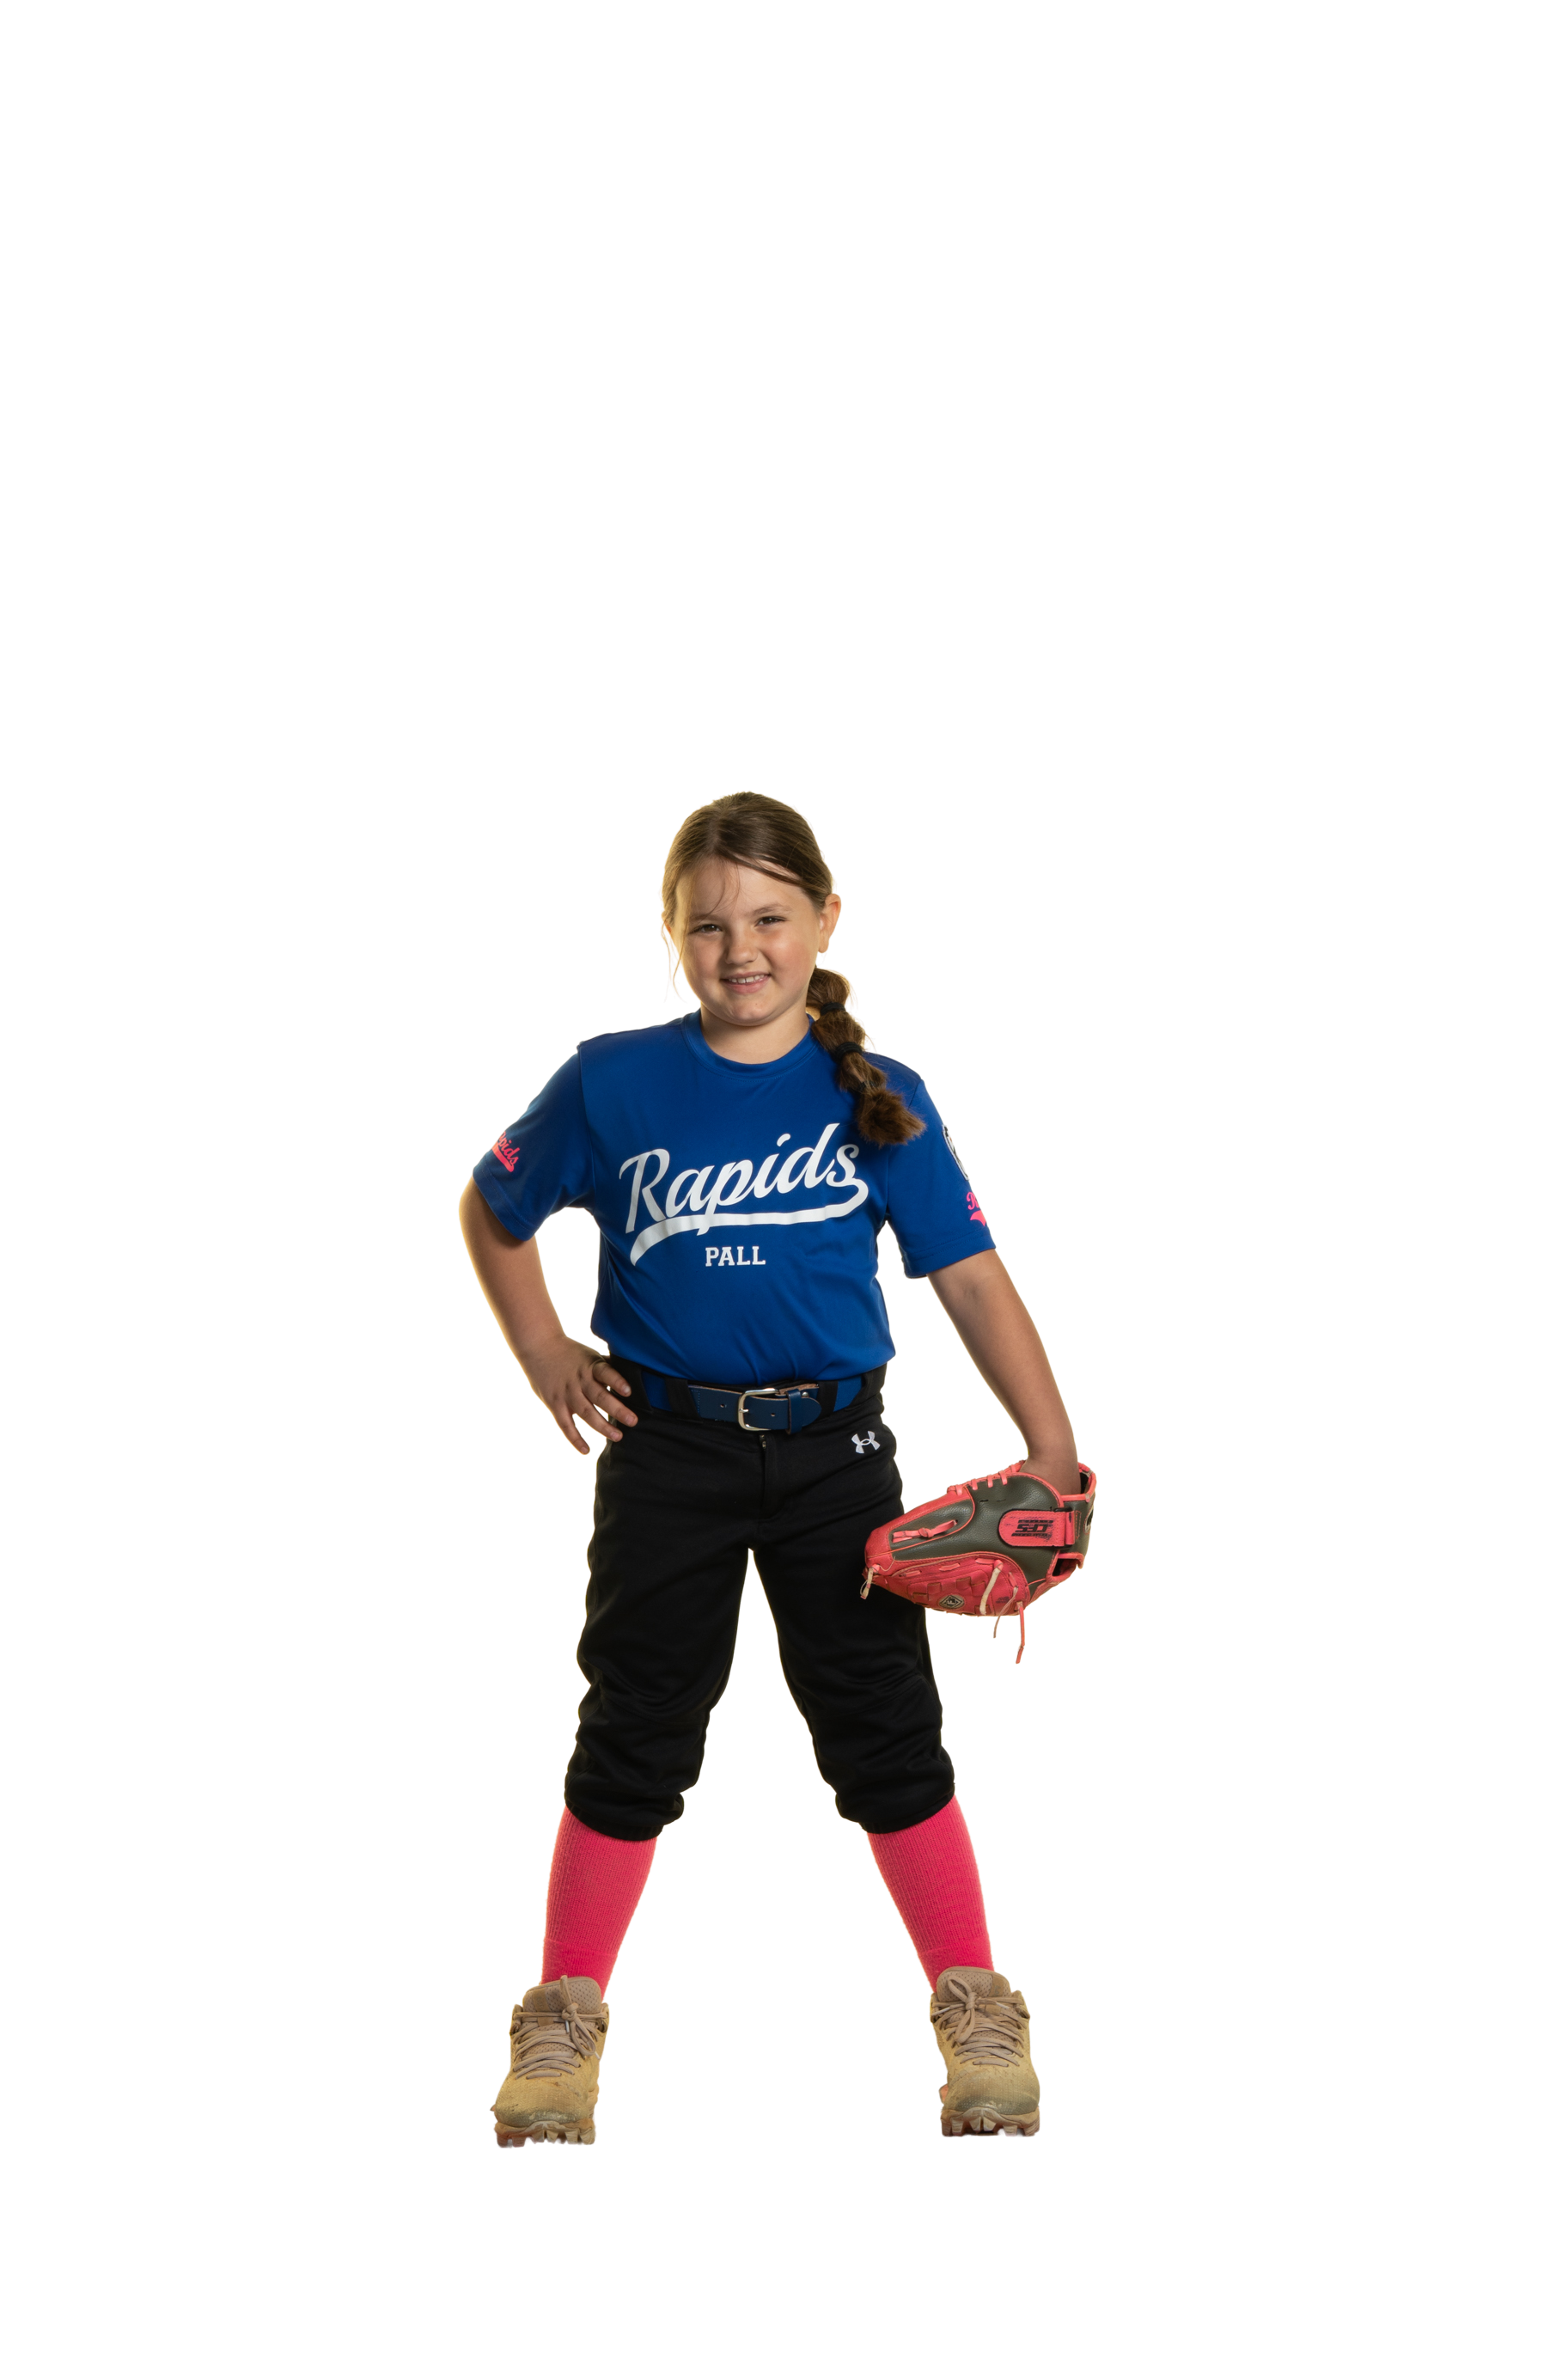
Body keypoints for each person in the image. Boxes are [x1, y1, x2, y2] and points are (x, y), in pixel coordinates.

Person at [458, 792, 1083, 2147]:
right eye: (709, 925)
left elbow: (971, 1279)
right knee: (635, 1718)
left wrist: (1052, 1446)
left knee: (885, 1719)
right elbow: (490, 1208)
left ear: (826, 918)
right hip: (665, 1448)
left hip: (839, 1453)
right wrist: (548, 1353)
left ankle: (975, 2000)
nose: (741, 949)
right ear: (670, 936)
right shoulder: (612, 1078)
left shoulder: (880, 1093)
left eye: (770, 917)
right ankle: (564, 2011)